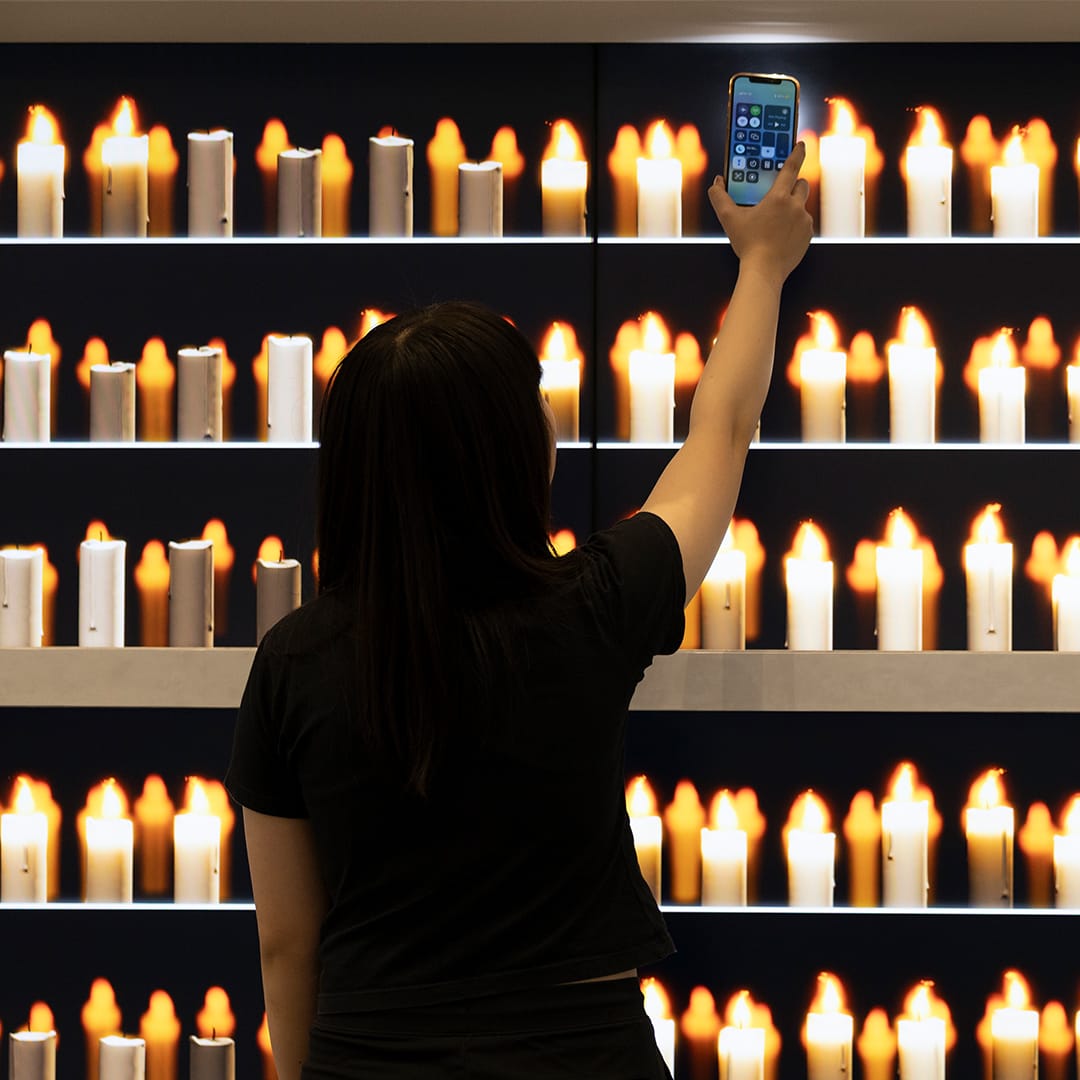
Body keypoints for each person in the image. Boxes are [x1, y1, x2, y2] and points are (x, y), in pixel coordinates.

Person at [225, 144, 812, 1080]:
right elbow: (722, 432)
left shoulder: (293, 663)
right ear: (512, 452)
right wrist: (763, 263)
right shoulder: (592, 607)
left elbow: (287, 945)